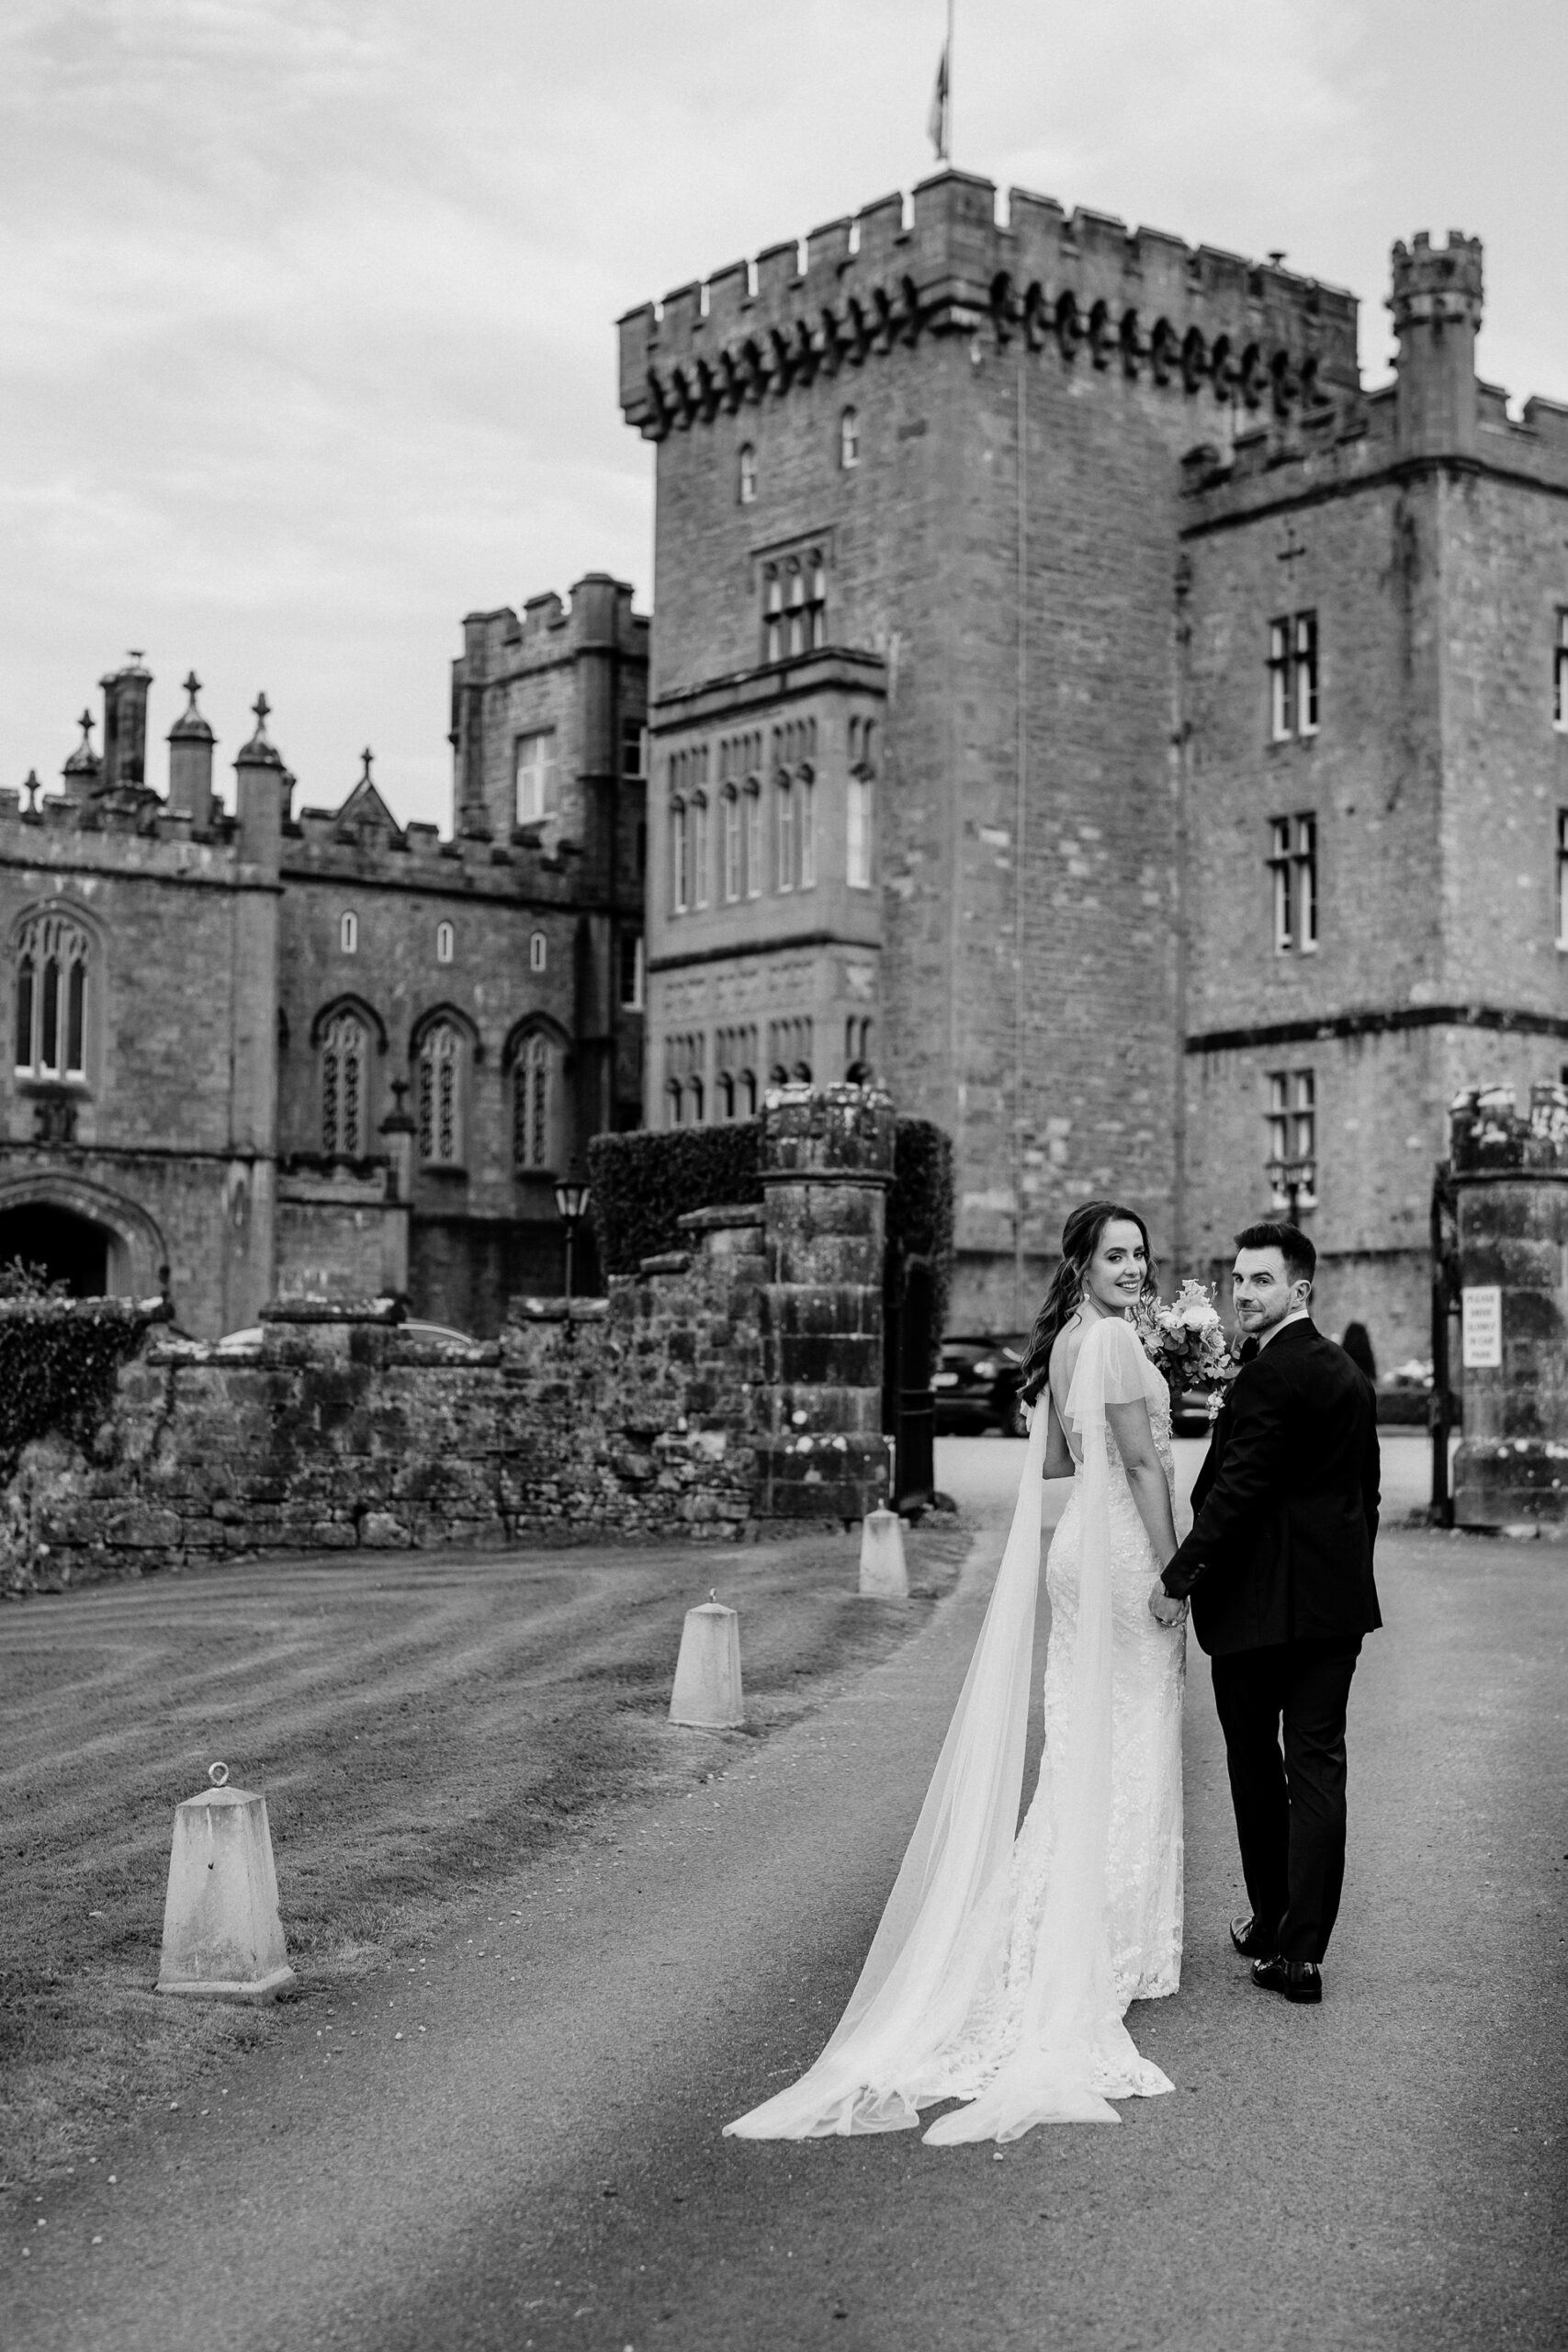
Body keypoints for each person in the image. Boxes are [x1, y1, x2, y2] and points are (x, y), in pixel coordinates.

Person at [726, 1201, 1188, 2144]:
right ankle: (1106, 1951)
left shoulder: (1067, 1341)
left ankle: (1067, 1932)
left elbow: (1060, 1456)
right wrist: (1179, 1570)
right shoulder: (1120, 1349)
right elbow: (1140, 1465)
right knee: (1128, 1741)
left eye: (1140, 1254)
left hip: (1074, 1553)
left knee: (1078, 1747)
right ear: (1083, 1261)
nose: (1134, 1267)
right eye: (1116, 1255)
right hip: (1126, 1553)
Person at [1152, 1222, 1381, 2006]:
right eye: (1237, 1279)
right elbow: (1365, 1498)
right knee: (1316, 1768)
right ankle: (1299, 1951)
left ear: (1298, 1290)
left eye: (1259, 1280)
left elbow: (1235, 1494)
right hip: (1332, 1610)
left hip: (1254, 1612)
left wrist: (1177, 1577)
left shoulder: (1264, 1379)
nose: (1242, 1292)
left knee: (1258, 1768)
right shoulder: (1348, 1374)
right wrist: (1347, 1577)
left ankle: (1273, 1919)